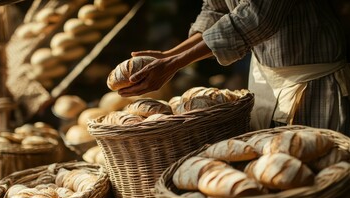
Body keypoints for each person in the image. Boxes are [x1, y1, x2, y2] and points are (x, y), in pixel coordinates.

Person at [118, 0, 350, 136]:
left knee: (319, 174)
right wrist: (171, 55)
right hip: (267, 80)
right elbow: (215, 10)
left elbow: (256, 18)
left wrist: (175, 63)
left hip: (314, 80)